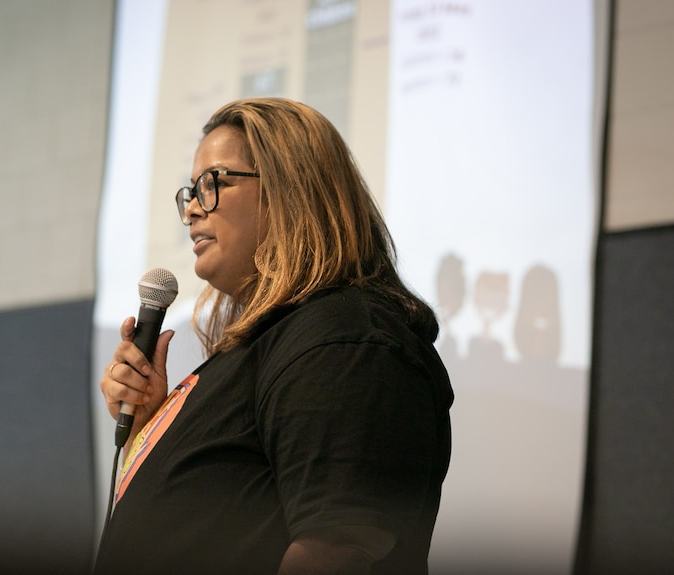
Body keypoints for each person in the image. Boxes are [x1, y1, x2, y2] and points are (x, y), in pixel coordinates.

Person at [95, 98, 453, 574]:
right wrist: (148, 431)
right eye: (191, 191)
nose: (192, 212)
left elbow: (335, 551)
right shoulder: (273, 343)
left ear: (291, 189)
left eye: (214, 183)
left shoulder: (344, 343)